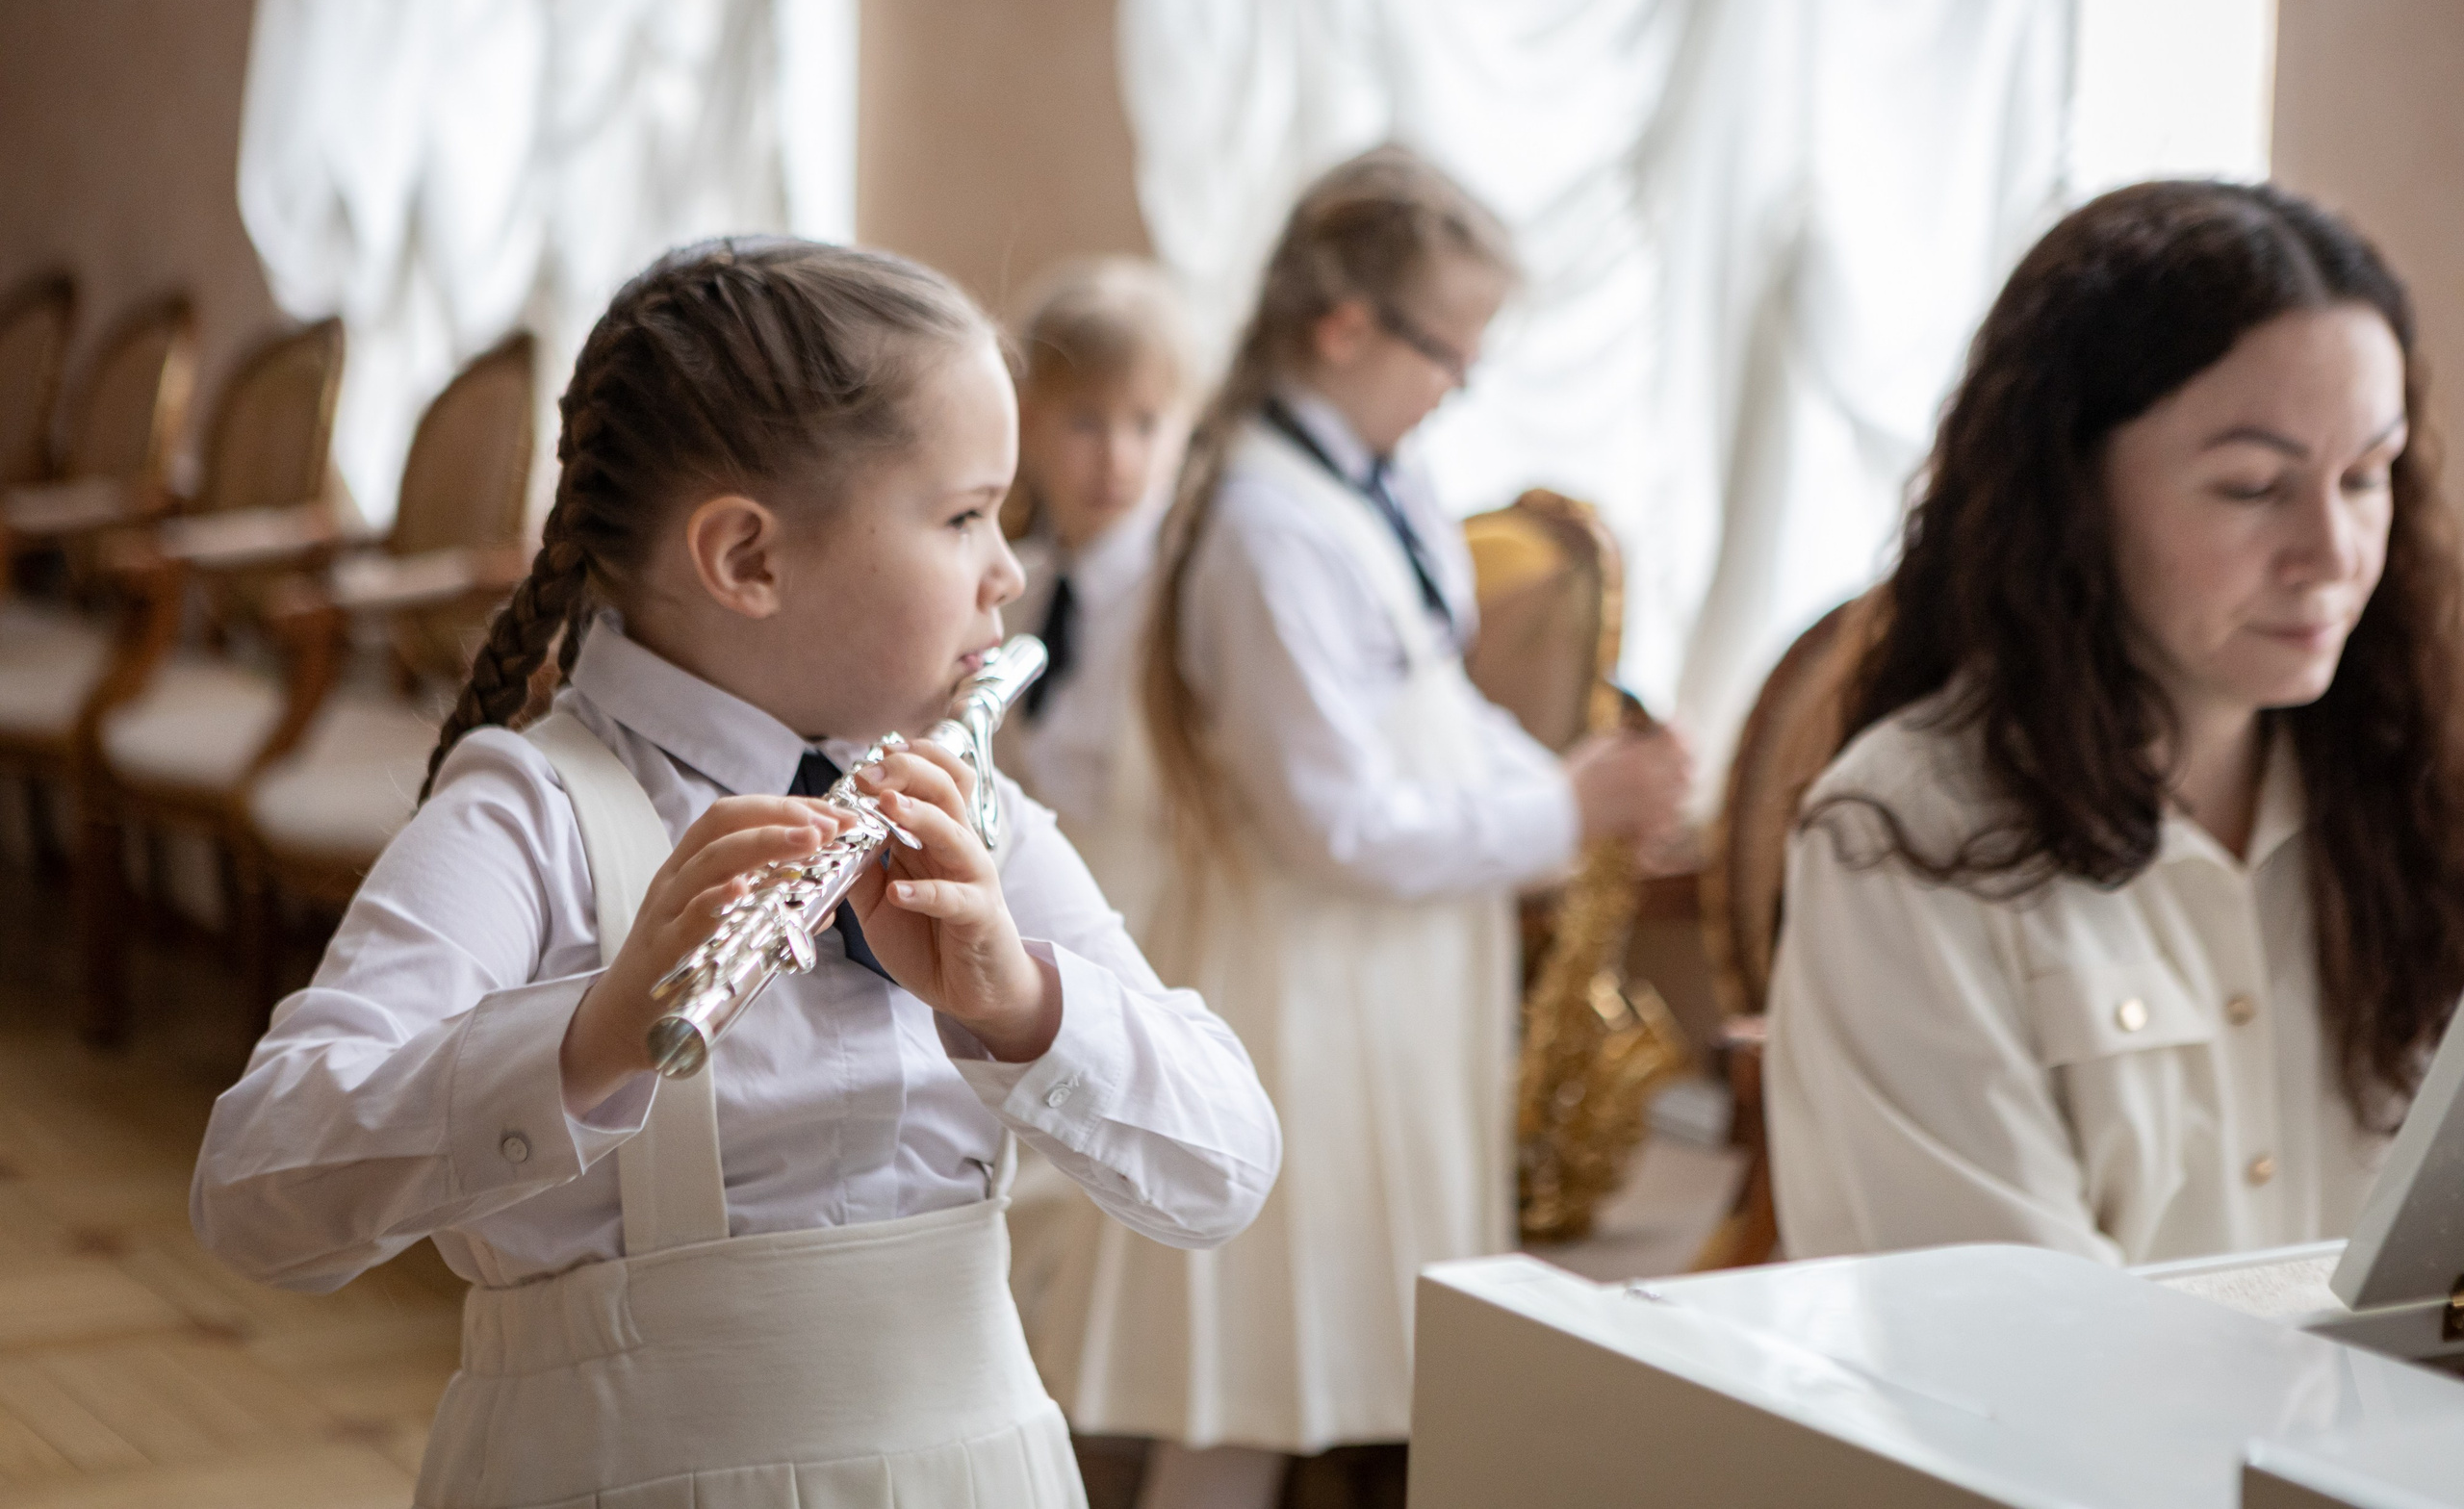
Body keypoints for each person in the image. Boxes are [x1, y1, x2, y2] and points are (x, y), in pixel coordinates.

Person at [189, 239, 1282, 1509]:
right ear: (748, 559)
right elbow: (254, 1194)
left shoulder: (973, 817)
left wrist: (1022, 1000)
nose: (1009, 571)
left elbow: (1225, 1171)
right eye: (964, 516)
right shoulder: (527, 815)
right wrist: (587, 1038)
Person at [1042, 147, 1693, 1509]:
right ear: (1345, 328)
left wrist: (1579, 779)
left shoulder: (1366, 481)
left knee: (1321, 1363)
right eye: (1448, 350)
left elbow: (1427, 705)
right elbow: (1333, 820)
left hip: (1380, 984)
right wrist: (1564, 807)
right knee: (1242, 1379)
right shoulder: (1265, 525)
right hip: (1304, 997)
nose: (1458, 381)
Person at [1766, 181, 2464, 1267]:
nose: (2333, 553)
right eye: (2251, 487)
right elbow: (2022, 1330)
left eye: (2367, 476)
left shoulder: (2412, 788)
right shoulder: (1903, 836)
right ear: (2070, 493)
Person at [995, 255, 1194, 931]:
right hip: (1032, 918)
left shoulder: (1184, 594)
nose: (1116, 459)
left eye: (1145, 424)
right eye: (1084, 422)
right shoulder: (1014, 585)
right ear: (1028, 423)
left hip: (1154, 924)